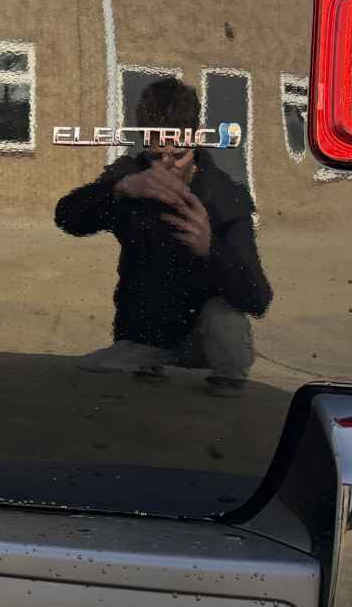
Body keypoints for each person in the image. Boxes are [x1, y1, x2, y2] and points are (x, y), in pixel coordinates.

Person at [53, 76, 272, 392]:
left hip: (206, 342)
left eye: (178, 155)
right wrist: (118, 189)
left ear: (196, 140)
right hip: (146, 335)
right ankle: (148, 358)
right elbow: (67, 217)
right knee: (90, 371)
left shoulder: (226, 195)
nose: (167, 166)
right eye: (156, 156)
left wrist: (210, 249)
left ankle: (228, 373)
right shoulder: (132, 174)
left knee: (225, 320)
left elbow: (257, 298)